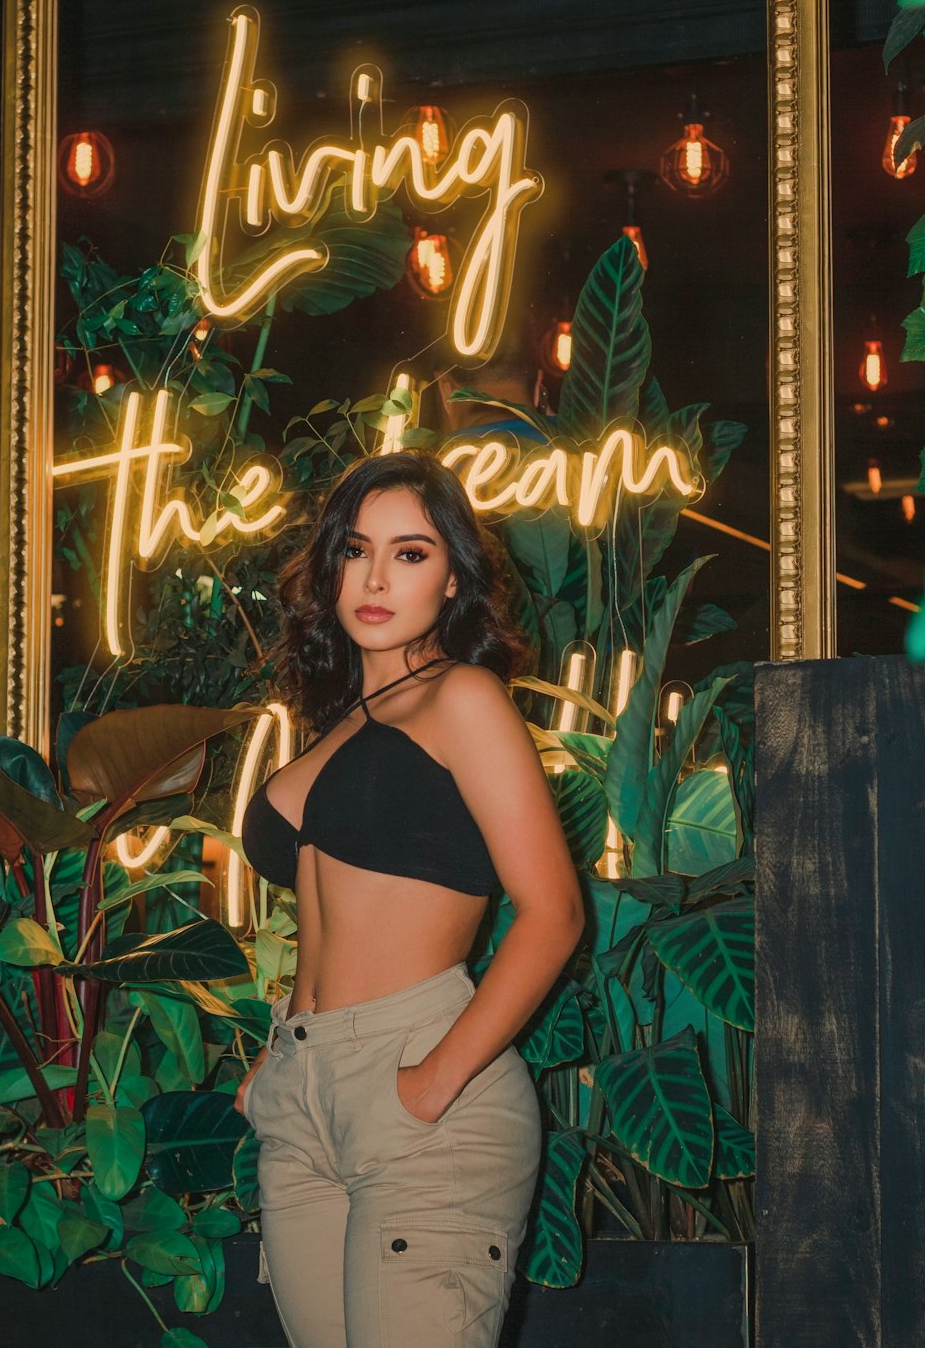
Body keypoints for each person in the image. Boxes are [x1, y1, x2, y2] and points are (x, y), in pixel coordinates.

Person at [236, 449, 584, 1348]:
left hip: (419, 1079)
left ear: (454, 579)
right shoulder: (343, 721)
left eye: (412, 553)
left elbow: (554, 913)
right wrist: (281, 1059)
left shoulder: (463, 699)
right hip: (304, 1092)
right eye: (357, 551)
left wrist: (431, 1083)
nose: (377, 577)